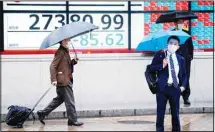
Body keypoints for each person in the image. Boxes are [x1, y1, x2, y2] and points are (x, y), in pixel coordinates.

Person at [37, 38, 83, 126]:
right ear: (62, 41)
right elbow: (52, 66)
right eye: (66, 40)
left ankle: (43, 113)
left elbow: (67, 65)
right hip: (64, 81)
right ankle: (73, 120)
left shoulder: (65, 51)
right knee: (70, 102)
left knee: (58, 100)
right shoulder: (60, 52)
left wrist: (74, 61)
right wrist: (53, 79)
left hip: (66, 79)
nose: (68, 42)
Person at [150, 36, 187, 132]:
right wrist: (162, 65)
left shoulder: (181, 59)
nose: (172, 45)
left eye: (175, 44)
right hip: (162, 88)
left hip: (175, 88)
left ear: (178, 47)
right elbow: (151, 69)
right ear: (167, 44)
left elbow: (184, 75)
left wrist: (182, 87)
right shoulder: (160, 55)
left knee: (175, 115)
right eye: (171, 43)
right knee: (160, 115)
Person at [173, 19, 193, 106]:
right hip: (175, 59)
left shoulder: (186, 33)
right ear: (175, 23)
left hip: (185, 59)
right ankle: (174, 97)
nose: (181, 24)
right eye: (179, 22)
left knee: (186, 77)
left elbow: (190, 46)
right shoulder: (172, 33)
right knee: (175, 77)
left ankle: (186, 97)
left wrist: (190, 56)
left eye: (182, 22)